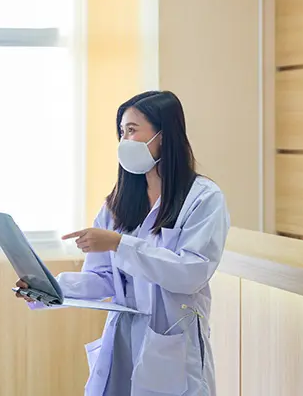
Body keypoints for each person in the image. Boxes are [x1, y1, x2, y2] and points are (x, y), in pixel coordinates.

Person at [16, 91, 230, 396]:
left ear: (163, 136)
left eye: (132, 130)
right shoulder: (118, 203)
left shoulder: (204, 199)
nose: (124, 141)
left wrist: (119, 244)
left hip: (173, 345)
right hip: (124, 340)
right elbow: (102, 279)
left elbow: (190, 272)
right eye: (121, 132)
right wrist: (50, 287)